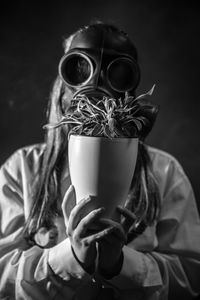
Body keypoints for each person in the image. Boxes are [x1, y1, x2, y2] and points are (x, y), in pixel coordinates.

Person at [0, 21, 200, 300]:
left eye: (118, 73)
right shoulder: (21, 170)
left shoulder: (164, 173)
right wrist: (70, 258)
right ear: (60, 84)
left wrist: (120, 264)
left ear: (130, 94)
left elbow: (191, 280)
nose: (94, 87)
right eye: (78, 69)